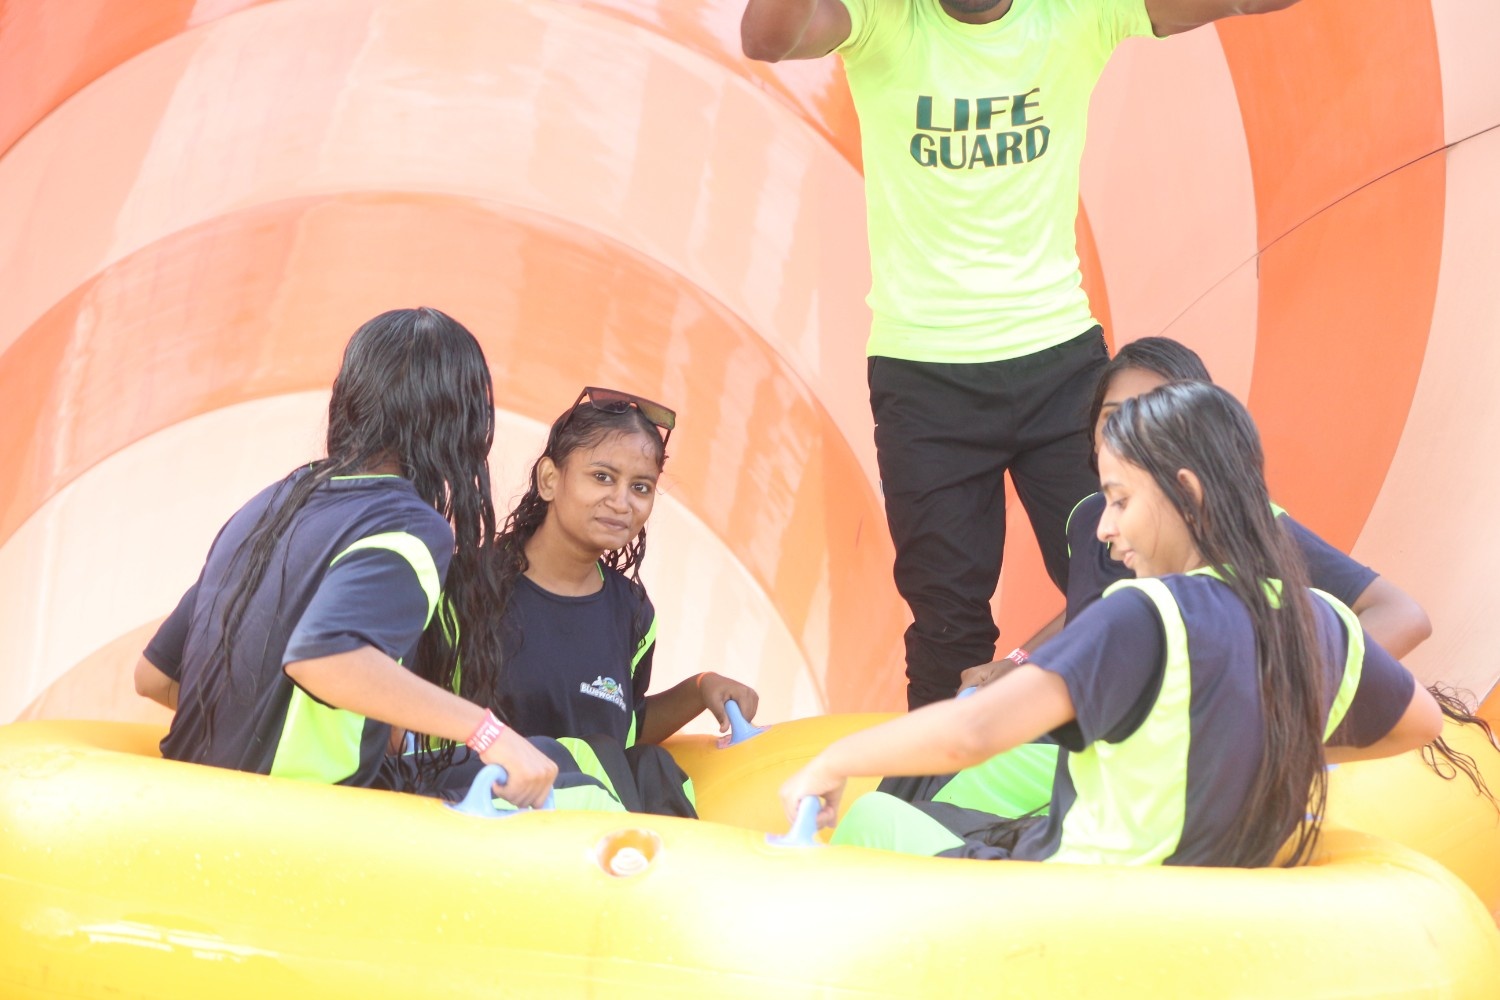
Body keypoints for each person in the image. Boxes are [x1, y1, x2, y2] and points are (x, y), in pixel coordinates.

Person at [742, 0, 1303, 709]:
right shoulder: (884, 17)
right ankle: (944, 777)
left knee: (1126, 578)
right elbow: (765, 39)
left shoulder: (1075, 13)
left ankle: (1136, 755)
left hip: (1061, 369)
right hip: (925, 379)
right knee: (948, 624)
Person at [780, 381, 1443, 866]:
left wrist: (832, 761)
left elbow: (974, 732)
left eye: (1121, 500)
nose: (1104, 527)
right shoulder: (1318, 620)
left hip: (1081, 906)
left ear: (1187, 493)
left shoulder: (1144, 614)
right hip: (1204, 915)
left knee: (876, 815)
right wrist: (1265, 747)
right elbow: (1421, 724)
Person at [133, 308, 561, 807]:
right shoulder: (408, 525)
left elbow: (154, 676)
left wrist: (262, 726)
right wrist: (489, 733)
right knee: (571, 774)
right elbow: (325, 659)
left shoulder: (269, 504)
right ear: (461, 421)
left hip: (186, 802)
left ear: (350, 399)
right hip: (292, 817)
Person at [962, 336, 1432, 693]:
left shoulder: (1238, 517)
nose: (1130, 433)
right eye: (1113, 416)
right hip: (1078, 749)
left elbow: (1402, 615)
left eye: (1156, 415)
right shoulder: (1089, 517)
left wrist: (1280, 698)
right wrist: (1019, 661)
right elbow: (1091, 603)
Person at [478, 387, 761, 814]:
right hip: (489, 814)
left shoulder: (634, 613)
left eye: (640, 487)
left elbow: (624, 729)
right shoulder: (471, 587)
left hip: (595, 830)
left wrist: (700, 688)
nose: (621, 502)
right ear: (549, 479)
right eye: (602, 477)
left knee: (651, 766)